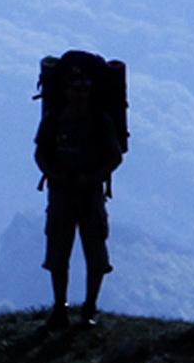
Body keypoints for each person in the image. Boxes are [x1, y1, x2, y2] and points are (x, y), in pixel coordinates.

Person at [35, 50, 126, 320]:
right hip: (62, 192)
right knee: (59, 252)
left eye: (84, 88)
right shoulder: (54, 119)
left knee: (95, 252)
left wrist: (91, 176)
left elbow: (114, 157)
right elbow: (41, 153)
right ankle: (61, 307)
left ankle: (88, 308)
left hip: (89, 193)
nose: (80, 94)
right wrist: (56, 174)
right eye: (75, 88)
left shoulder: (101, 121)